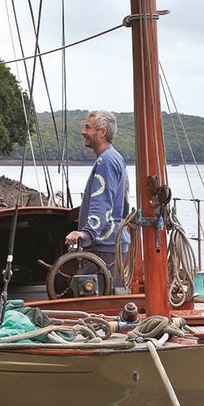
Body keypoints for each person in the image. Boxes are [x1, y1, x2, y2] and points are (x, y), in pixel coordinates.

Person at [64, 109, 129, 279]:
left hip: (103, 247)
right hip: (111, 245)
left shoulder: (106, 161)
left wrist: (86, 234)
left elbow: (102, 203)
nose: (83, 132)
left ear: (102, 132)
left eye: (88, 128)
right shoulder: (115, 158)